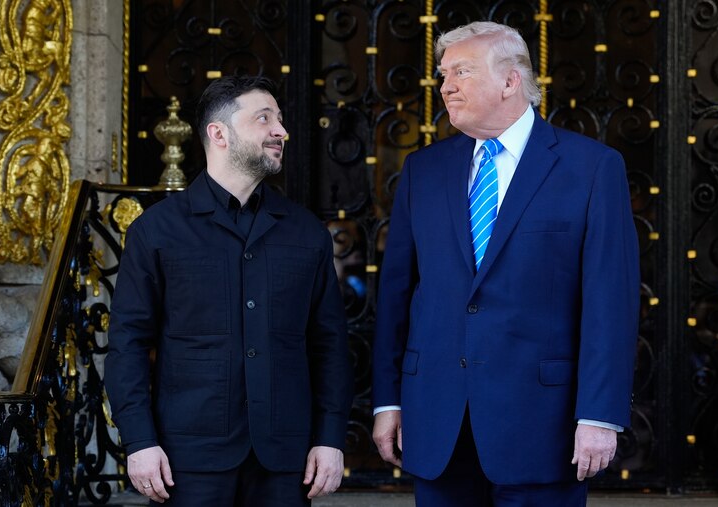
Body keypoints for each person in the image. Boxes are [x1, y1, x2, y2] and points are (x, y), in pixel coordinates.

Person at [371, 21, 639, 506]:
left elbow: (609, 303)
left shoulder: (592, 167)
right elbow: (397, 296)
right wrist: (388, 401)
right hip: (437, 423)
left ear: (511, 81)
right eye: (443, 73)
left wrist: (599, 415)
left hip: (545, 427)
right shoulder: (422, 171)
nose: (445, 85)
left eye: (461, 72)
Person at [105, 75, 353, 506]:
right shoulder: (156, 231)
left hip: (285, 459)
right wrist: (139, 441)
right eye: (264, 118)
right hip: (187, 459)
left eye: (279, 119)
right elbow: (128, 343)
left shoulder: (307, 232)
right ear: (218, 134)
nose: (281, 131)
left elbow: (329, 344)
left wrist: (330, 437)